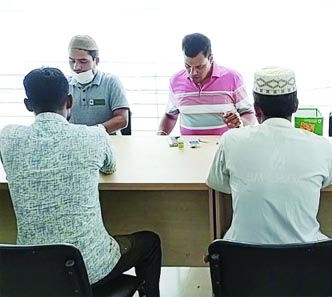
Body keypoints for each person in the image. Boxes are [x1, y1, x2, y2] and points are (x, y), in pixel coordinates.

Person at [0, 67, 161, 296]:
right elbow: (110, 167)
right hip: (89, 268)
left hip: (31, 269)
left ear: (27, 104)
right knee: (150, 242)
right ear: (69, 101)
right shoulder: (93, 135)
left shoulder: (7, 137)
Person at [206, 66, 332, 244]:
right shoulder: (321, 146)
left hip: (242, 260)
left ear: (256, 109)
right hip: (304, 261)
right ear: (296, 106)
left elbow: (217, 183)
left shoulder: (231, 140)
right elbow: (325, 182)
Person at [157, 33, 256, 135]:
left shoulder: (233, 78)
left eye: (199, 67)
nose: (192, 72)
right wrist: (160, 135)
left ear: (211, 59)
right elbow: (170, 116)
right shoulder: (176, 80)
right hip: (189, 149)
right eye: (187, 66)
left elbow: (249, 114)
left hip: (224, 148)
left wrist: (240, 122)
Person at [68, 35, 130, 134]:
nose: (76, 67)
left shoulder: (111, 82)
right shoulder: (64, 85)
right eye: (72, 61)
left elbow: (122, 119)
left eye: (83, 61)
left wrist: (94, 132)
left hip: (107, 142)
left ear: (96, 61)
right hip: (74, 143)